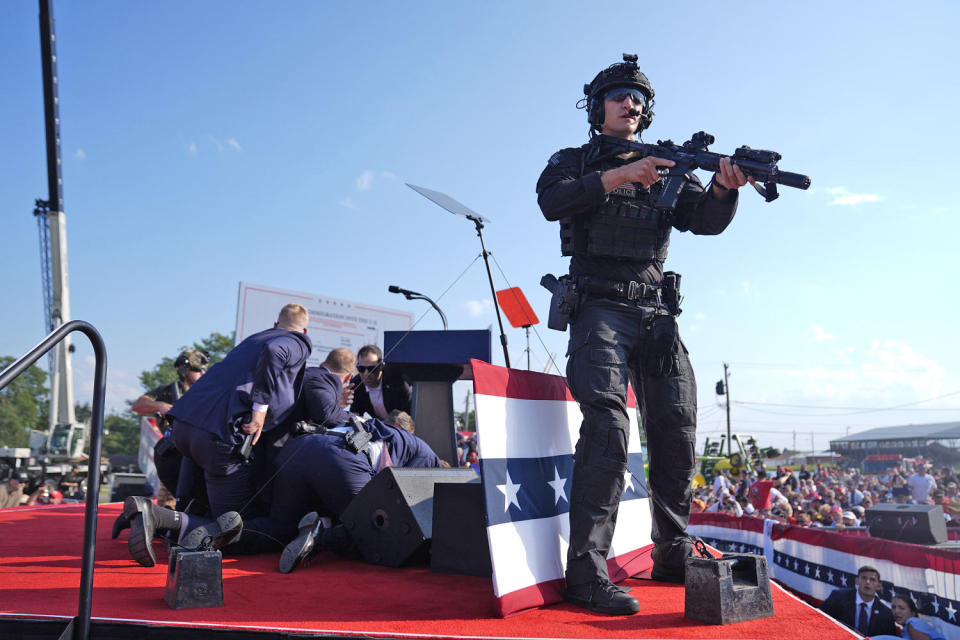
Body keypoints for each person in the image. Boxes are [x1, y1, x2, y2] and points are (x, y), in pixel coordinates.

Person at [536, 54, 749, 615]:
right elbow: (551, 200)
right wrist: (618, 174)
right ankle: (585, 574)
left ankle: (673, 550)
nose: (631, 104)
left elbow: (702, 220)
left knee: (677, 426)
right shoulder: (572, 160)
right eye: (619, 96)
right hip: (598, 309)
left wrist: (726, 189)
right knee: (607, 426)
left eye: (638, 98)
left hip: (656, 314)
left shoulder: (667, 165)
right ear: (596, 107)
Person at [125, 303, 313, 567]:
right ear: (304, 330)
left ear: (274, 324)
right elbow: (275, 351)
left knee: (198, 507)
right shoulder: (296, 341)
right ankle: (155, 517)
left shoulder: (253, 339)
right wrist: (260, 410)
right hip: (218, 435)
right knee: (234, 529)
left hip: (185, 426)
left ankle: (159, 522)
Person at [270, 417, 447, 573]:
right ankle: (318, 537)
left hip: (300, 446)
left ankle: (243, 532)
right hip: (341, 455)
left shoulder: (411, 445)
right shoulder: (430, 461)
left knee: (280, 528)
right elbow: (400, 507)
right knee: (370, 530)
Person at [819, 565, 898, 636]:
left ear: (879, 586)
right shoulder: (839, 597)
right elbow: (820, 619)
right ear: (857, 581)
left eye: (872, 580)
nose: (867, 582)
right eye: (864, 578)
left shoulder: (886, 613)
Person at [348, 345, 412, 420]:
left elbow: (407, 418)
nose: (366, 373)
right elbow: (355, 415)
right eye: (361, 369)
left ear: (381, 366)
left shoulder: (399, 383)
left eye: (371, 369)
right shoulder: (356, 383)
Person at [299, 349, 357, 427]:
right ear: (348, 377)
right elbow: (328, 416)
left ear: (322, 364)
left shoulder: (309, 372)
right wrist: (358, 419)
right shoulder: (324, 379)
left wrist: (336, 404)